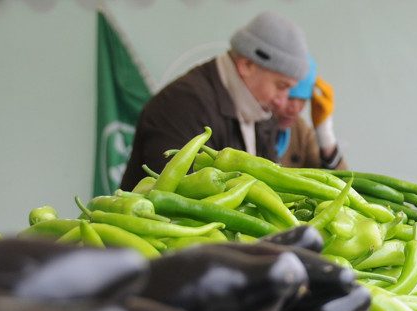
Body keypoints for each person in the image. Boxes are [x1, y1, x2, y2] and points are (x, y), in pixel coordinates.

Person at [119, 11, 310, 191]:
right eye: (281, 86)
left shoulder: (261, 110)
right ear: (246, 66)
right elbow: (182, 197)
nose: (282, 102)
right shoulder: (183, 105)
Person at [274, 55, 347, 170]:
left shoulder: (300, 131)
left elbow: (340, 180)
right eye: (290, 97)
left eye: (303, 99)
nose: (295, 109)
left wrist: (325, 134)